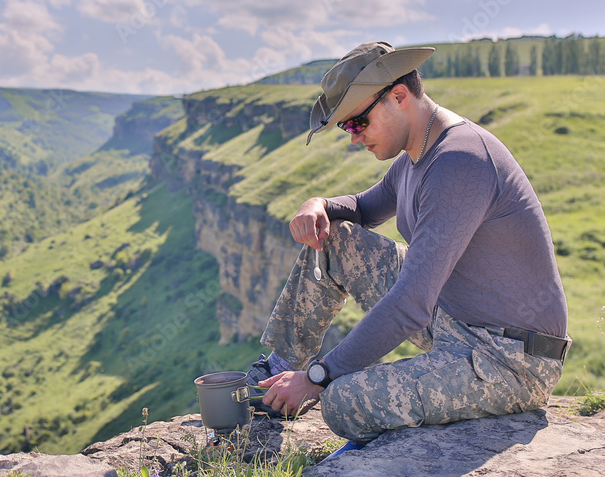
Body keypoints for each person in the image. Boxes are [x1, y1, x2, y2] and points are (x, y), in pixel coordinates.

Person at [244, 41, 571, 445]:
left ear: (398, 96)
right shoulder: (417, 155)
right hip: (455, 319)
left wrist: (319, 377)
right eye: (346, 127)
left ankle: (300, 387)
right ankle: (275, 376)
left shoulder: (460, 162)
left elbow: (411, 304)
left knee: (341, 400)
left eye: (357, 123)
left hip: (510, 359)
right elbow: (362, 208)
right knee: (334, 240)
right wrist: (319, 204)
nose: (352, 138)